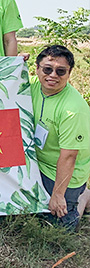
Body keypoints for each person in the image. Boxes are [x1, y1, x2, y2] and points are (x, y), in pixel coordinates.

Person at [30, 46, 90, 231]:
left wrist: (58, 194)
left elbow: (69, 156)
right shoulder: (31, 85)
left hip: (63, 171)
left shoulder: (73, 109)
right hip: (35, 161)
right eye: (47, 69)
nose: (52, 75)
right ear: (37, 68)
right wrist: (15, 62)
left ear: (69, 73)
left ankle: (82, 196)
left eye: (60, 71)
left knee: (58, 227)